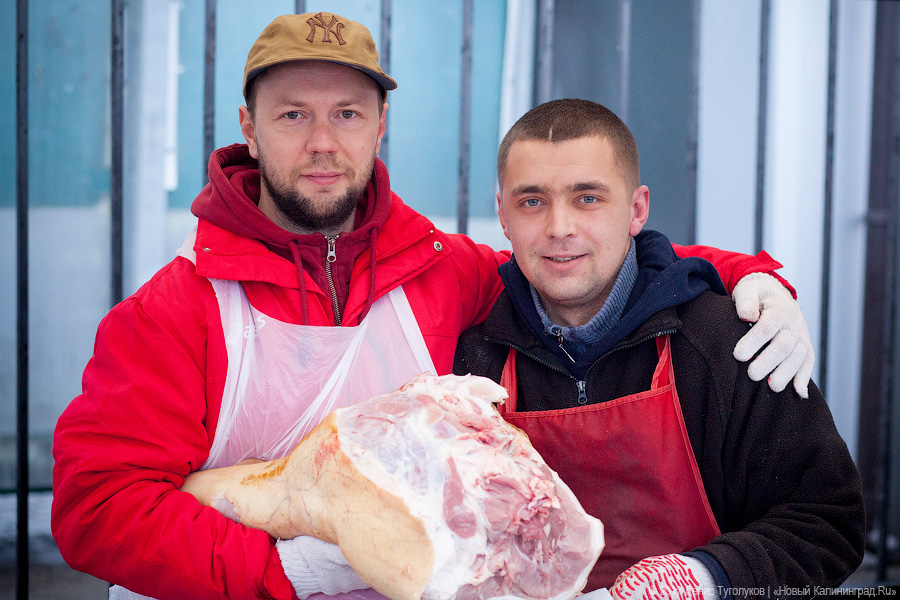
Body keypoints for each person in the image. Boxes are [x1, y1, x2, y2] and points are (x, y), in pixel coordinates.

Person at [51, 12, 816, 600]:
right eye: (292, 115)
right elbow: (96, 508)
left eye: (348, 113)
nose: (323, 141)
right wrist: (293, 568)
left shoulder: (440, 271)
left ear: (379, 126)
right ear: (249, 129)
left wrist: (751, 274)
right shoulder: (176, 309)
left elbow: (576, 258)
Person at [452, 98, 865, 598]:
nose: (559, 227)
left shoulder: (728, 343)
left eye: (587, 198)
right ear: (502, 214)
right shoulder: (474, 361)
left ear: (636, 210)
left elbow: (827, 522)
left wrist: (705, 578)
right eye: (532, 201)